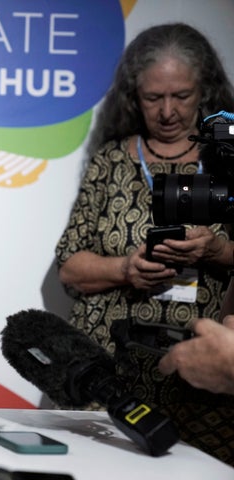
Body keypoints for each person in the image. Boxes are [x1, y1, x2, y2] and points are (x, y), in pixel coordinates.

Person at [55, 23, 234, 464]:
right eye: (154, 98)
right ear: (134, 98)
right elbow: (69, 268)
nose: (168, 111)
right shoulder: (111, 160)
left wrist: (214, 249)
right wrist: (125, 269)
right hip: (107, 368)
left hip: (201, 374)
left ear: (205, 91)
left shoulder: (227, 160)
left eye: (182, 96)